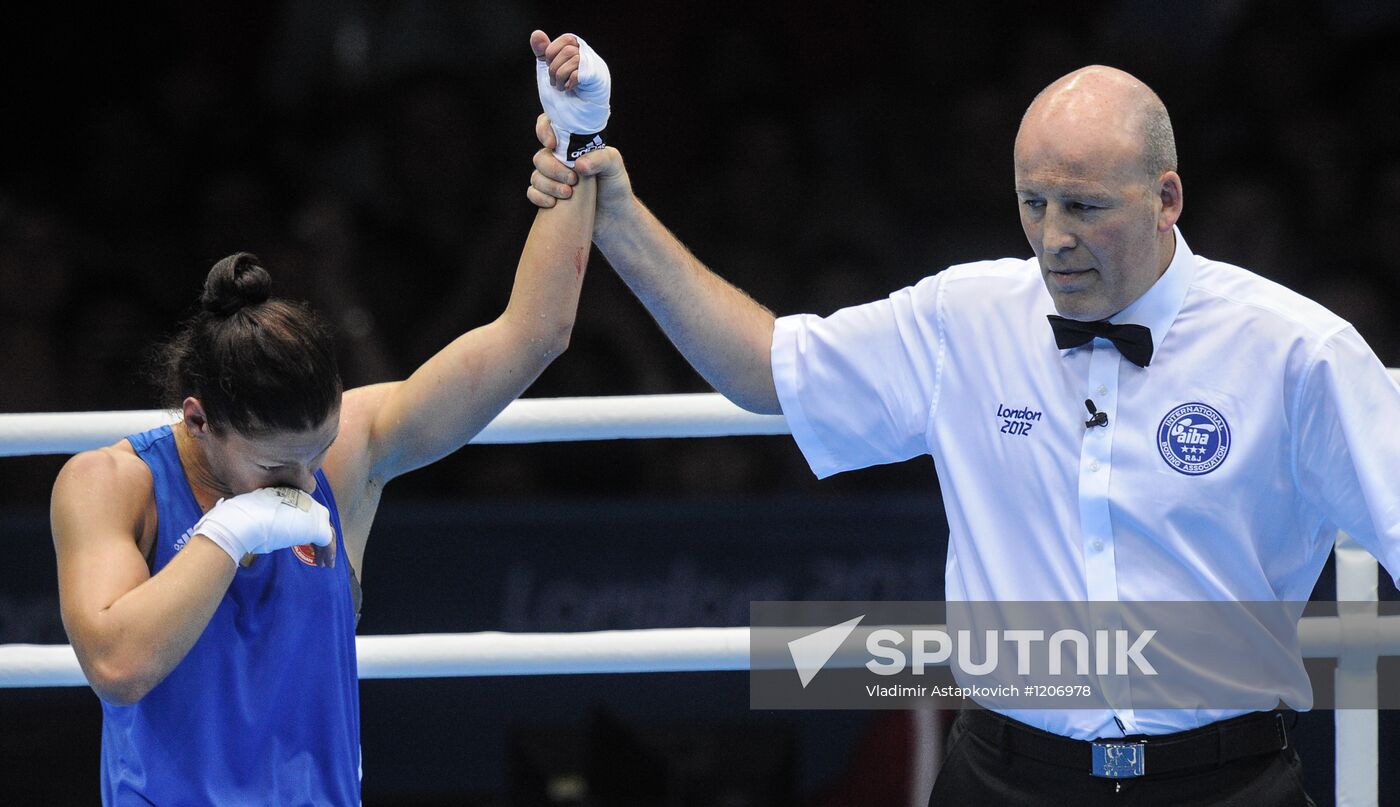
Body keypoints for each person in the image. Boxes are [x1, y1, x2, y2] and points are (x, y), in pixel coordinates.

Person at [528, 49, 1400, 805]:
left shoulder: (1296, 352)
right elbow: (765, 369)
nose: (1052, 238)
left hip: (1226, 780)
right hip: (1004, 776)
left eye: (1085, 207)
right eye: (1032, 202)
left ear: (1166, 196)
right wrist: (619, 215)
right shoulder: (966, 316)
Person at [50, 30, 607, 804]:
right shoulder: (110, 484)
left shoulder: (346, 456)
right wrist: (227, 532)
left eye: (315, 448)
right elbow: (117, 666)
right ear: (198, 418)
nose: (304, 481)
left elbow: (533, 334)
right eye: (278, 463)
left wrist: (581, 140)